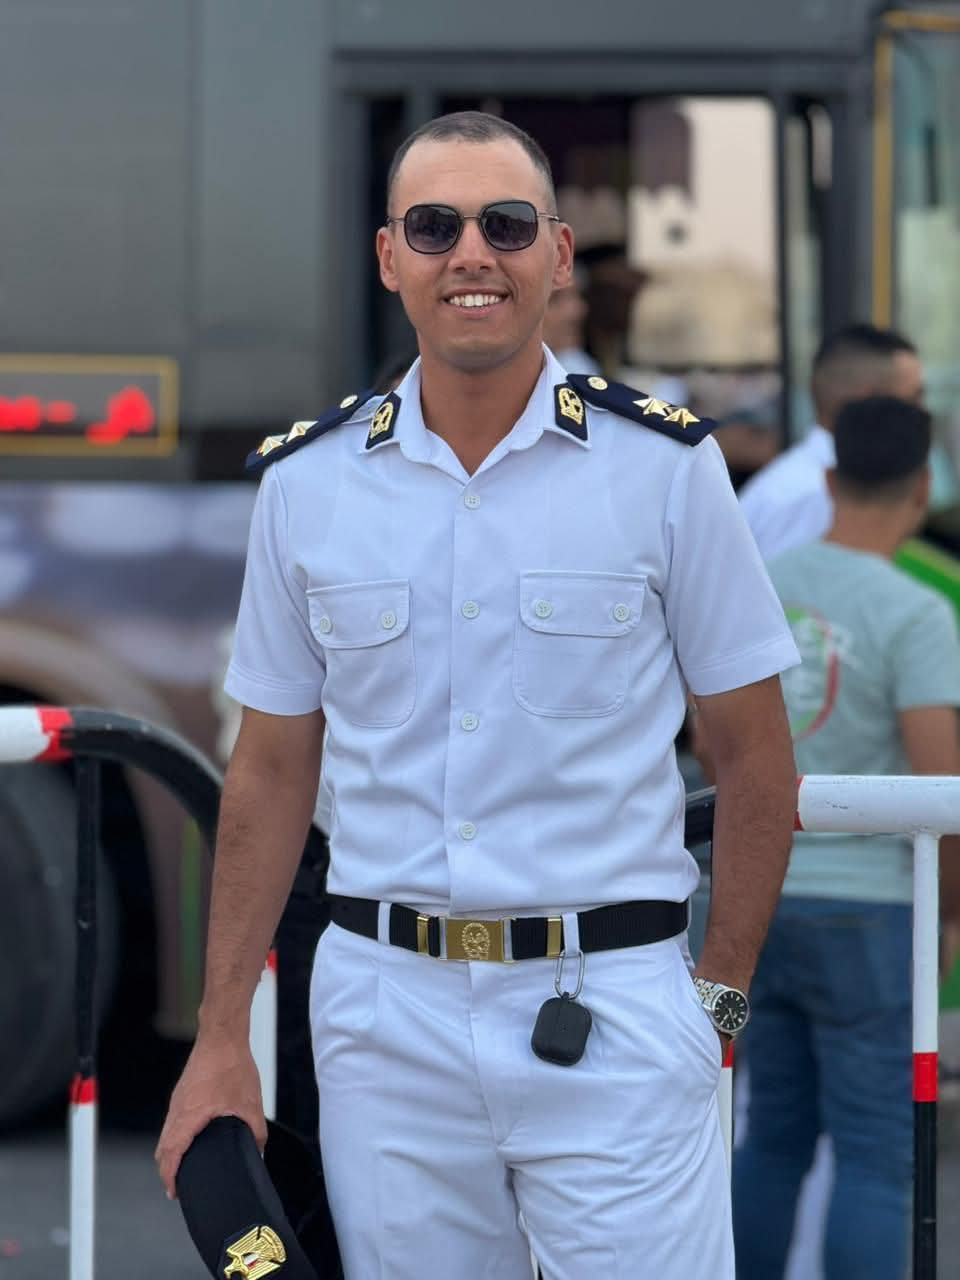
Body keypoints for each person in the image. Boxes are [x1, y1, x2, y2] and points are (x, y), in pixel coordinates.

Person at [156, 109, 800, 1280]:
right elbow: (271, 769)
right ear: (388, 255)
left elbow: (755, 755)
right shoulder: (307, 484)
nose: (471, 254)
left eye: (505, 224)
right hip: (384, 1018)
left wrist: (718, 1000)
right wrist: (219, 1038)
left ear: (558, 254)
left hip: (613, 1004)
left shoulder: (666, 468)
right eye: (434, 225)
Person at [733, 396, 960, 1280]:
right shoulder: (917, 613)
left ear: (828, 480)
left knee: (770, 1138)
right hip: (872, 909)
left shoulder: (763, 584)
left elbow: (714, 740)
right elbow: (939, 789)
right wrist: (950, 912)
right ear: (923, 490)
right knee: (876, 1153)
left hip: (761, 898)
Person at [738, 325, 924, 562]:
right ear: (869, 403)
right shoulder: (812, 496)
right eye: (913, 399)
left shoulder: (805, 482)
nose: (922, 413)